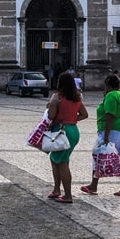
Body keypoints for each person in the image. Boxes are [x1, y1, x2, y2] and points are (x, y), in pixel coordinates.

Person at [81, 73, 120, 198]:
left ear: (107, 84)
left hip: (112, 130)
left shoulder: (110, 96)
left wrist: (106, 136)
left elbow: (110, 116)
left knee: (98, 155)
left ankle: (94, 185)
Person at [44, 70, 88, 203]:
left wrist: (50, 107)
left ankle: (67, 195)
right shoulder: (77, 97)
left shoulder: (57, 97)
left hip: (62, 131)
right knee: (57, 158)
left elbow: (51, 116)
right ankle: (57, 189)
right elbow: (85, 114)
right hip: (73, 130)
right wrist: (72, 120)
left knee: (62, 163)